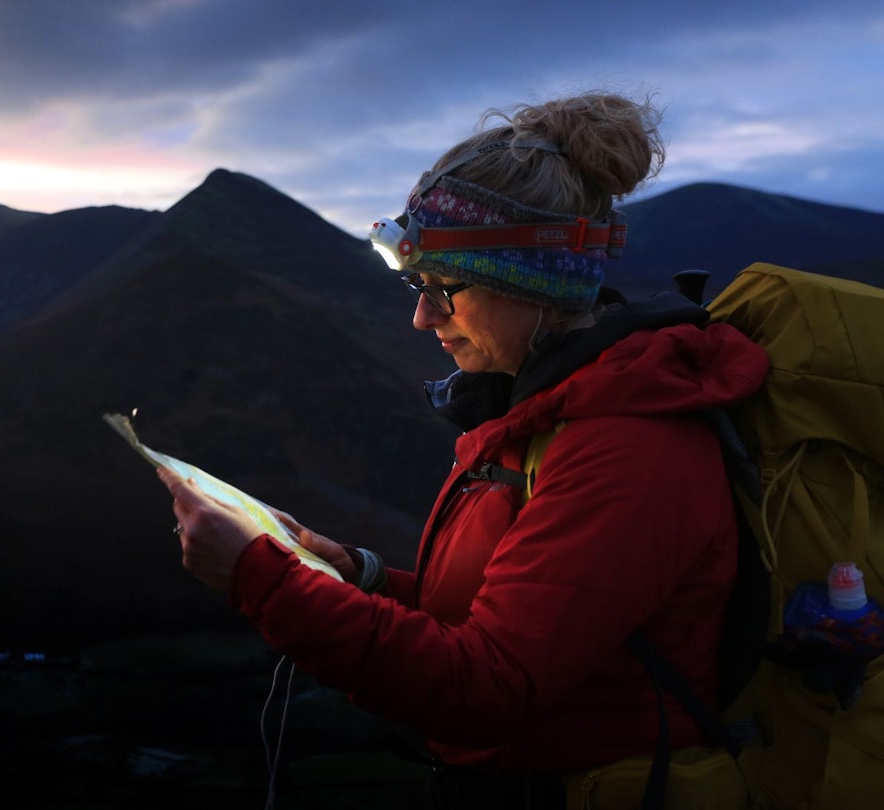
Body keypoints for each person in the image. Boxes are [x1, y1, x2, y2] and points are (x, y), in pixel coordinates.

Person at [157, 92, 770, 808]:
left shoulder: (627, 450)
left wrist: (262, 581)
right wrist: (358, 575)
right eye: (416, 285)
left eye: (446, 288)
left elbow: (487, 689)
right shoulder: (536, 416)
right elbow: (497, 613)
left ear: (534, 283)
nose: (422, 316)